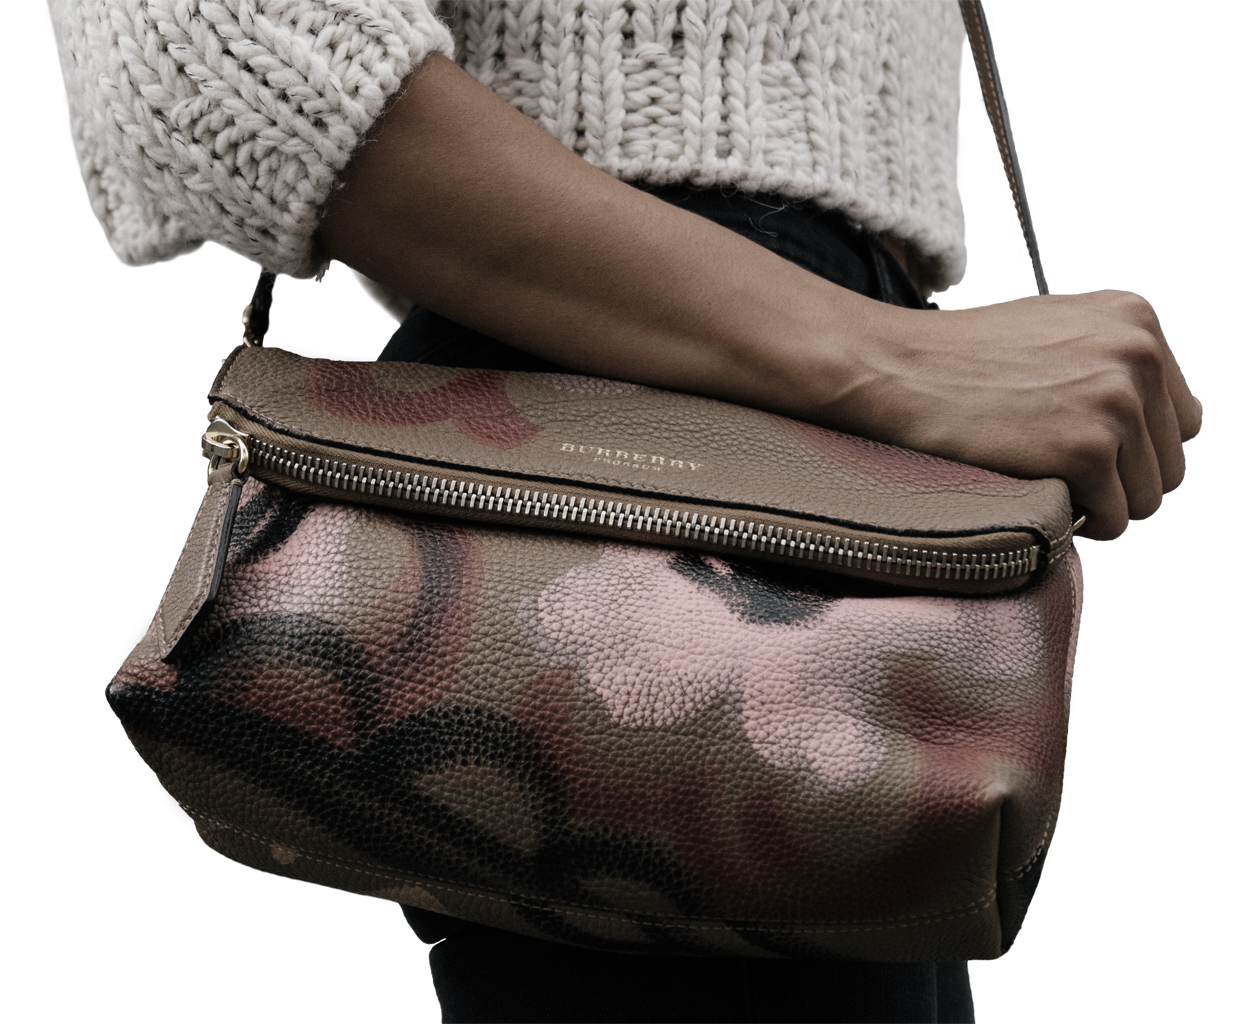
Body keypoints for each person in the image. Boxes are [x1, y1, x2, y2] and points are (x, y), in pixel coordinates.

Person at [51, 1, 1201, 1021]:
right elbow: (212, 45)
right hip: (641, 417)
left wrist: (888, 352)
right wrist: (882, 356)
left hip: (769, 397)